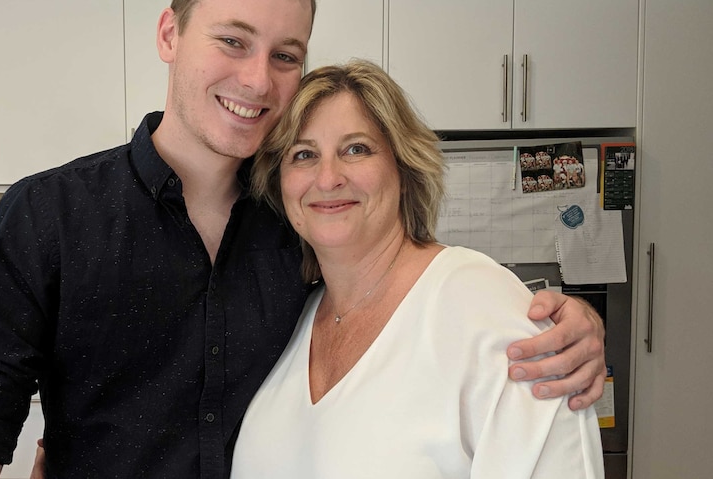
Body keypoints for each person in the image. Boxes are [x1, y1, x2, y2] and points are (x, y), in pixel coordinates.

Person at [0, 0, 605, 479]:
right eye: (233, 41)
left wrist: (566, 317)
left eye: (284, 54)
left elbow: (413, 303)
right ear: (170, 34)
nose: (257, 80)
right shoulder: (49, 216)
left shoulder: (299, 225)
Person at [233, 60, 605, 478]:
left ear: (404, 170)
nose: (328, 177)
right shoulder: (286, 316)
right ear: (280, 184)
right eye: (303, 154)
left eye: (356, 149)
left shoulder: (482, 306)